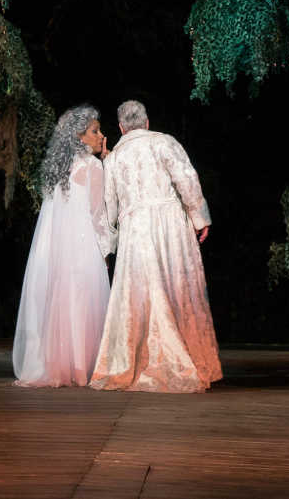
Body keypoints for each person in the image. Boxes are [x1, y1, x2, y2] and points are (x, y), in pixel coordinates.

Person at [89, 100, 221, 393]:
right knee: (177, 287)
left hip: (136, 231)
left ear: (121, 127)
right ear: (146, 122)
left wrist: (106, 247)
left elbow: (108, 207)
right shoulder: (165, 143)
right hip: (170, 227)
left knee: (140, 292)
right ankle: (187, 359)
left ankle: (136, 359)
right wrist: (200, 218)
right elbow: (187, 180)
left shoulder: (114, 158)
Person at [11, 104, 112, 387]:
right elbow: (98, 215)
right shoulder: (93, 167)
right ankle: (81, 368)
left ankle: (60, 367)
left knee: (63, 303)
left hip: (59, 251)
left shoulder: (57, 168)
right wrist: (106, 250)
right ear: (79, 136)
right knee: (83, 304)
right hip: (83, 247)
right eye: (95, 131)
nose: (100, 135)